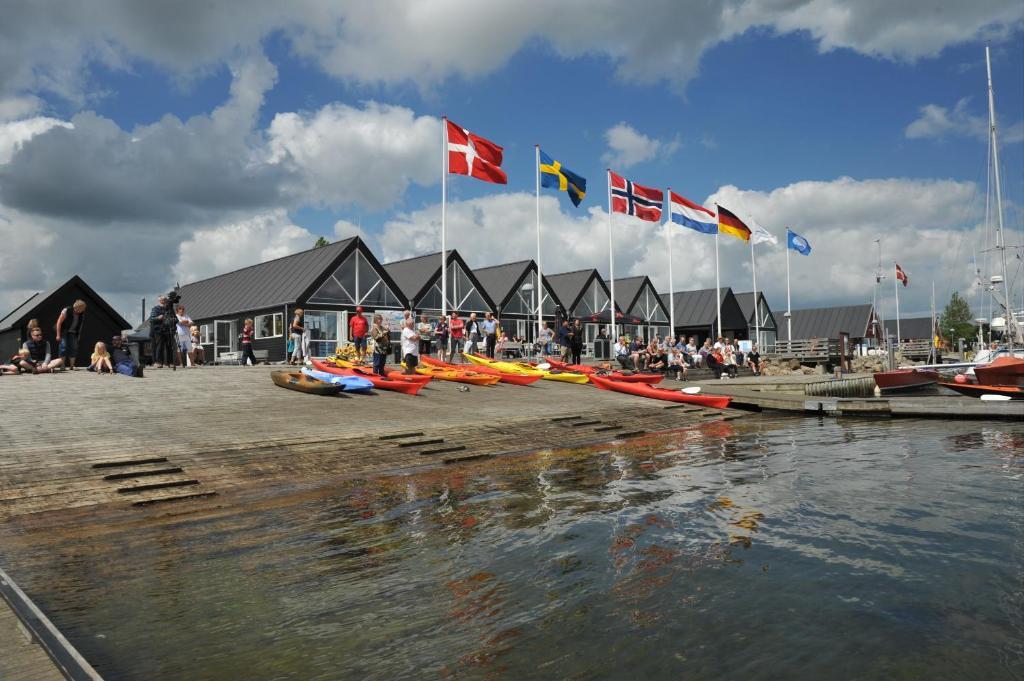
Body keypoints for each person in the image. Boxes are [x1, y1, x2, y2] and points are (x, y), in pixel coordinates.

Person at [55, 299, 86, 369]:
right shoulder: (66, 310)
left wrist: (78, 335)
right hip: (64, 331)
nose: (83, 310)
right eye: (82, 309)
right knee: (63, 346)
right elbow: (59, 322)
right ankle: (62, 365)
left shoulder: (82, 314)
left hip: (73, 332)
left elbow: (80, 325)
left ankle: (72, 365)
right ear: (77, 308)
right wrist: (58, 335)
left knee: (74, 347)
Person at [149, 296, 176, 368]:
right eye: (161, 300)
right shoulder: (155, 309)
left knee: (169, 346)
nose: (163, 301)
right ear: (159, 301)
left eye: (164, 300)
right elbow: (151, 319)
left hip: (168, 330)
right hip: (159, 330)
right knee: (160, 346)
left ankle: (170, 362)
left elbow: (176, 319)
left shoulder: (170, 309)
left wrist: (171, 319)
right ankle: (159, 362)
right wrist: (158, 317)